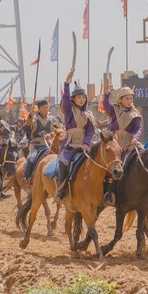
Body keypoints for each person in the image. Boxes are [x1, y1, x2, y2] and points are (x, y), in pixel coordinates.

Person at [55, 69, 95, 201]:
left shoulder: (88, 114)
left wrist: (86, 143)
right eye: (79, 97)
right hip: (70, 145)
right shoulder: (69, 110)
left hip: (85, 146)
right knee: (64, 162)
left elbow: (90, 131)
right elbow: (65, 99)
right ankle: (61, 189)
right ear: (73, 99)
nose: (82, 100)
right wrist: (67, 83)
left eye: (83, 97)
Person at [101, 84, 142, 205]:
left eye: (131, 98)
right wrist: (106, 94)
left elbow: (138, 129)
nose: (129, 101)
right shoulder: (115, 109)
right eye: (126, 98)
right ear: (120, 99)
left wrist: (135, 138)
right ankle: (106, 191)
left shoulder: (135, 114)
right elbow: (106, 105)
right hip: (114, 142)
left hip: (128, 144)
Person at [23, 99, 53, 183]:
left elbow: (58, 130)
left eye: (47, 107)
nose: (45, 109)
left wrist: (50, 135)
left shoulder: (52, 119)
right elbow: (26, 127)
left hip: (48, 145)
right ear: (38, 109)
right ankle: (27, 177)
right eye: (43, 107)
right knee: (31, 157)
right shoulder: (34, 119)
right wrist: (30, 116)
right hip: (36, 145)